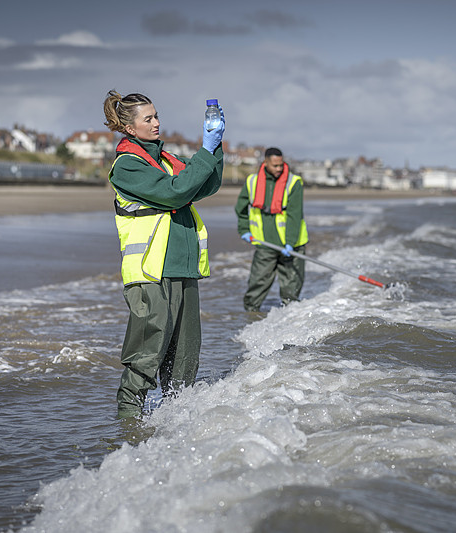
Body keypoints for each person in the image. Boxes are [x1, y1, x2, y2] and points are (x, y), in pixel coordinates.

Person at [102, 90, 224, 419]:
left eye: (157, 116)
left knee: (184, 359)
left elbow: (206, 185)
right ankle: (128, 428)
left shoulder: (166, 160)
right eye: (149, 119)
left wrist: (215, 148)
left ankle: (173, 426)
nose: (157, 123)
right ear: (129, 128)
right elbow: (174, 193)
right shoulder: (128, 166)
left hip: (183, 268)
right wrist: (205, 150)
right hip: (151, 272)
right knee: (146, 355)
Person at [235, 147, 308, 311]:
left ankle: (290, 319)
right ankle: (250, 317)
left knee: (291, 290)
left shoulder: (294, 182)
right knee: (256, 285)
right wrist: (244, 229)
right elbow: (241, 208)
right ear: (265, 162)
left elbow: (294, 215)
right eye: (275, 165)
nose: (279, 169)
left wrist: (290, 242)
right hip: (264, 243)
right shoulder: (252, 181)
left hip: (291, 245)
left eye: (281, 165)